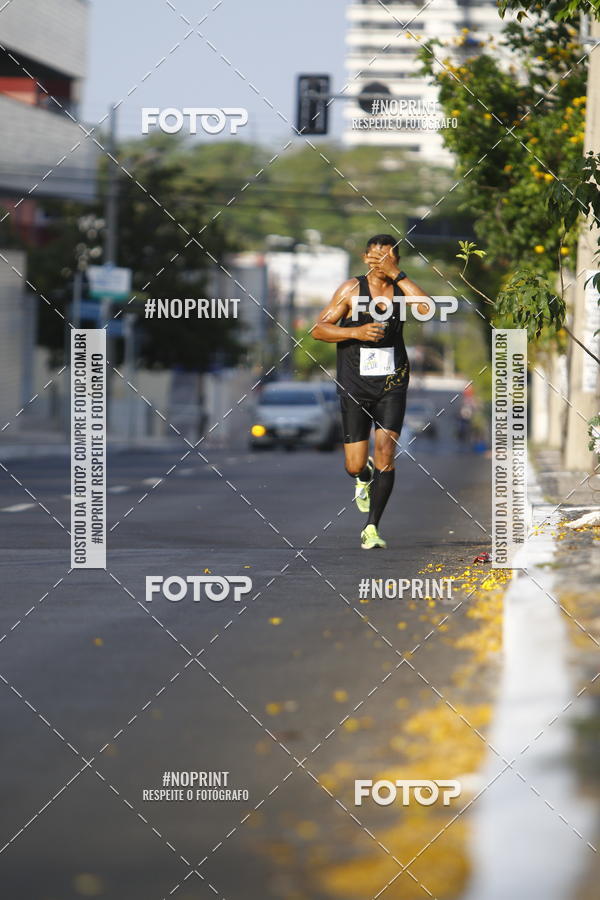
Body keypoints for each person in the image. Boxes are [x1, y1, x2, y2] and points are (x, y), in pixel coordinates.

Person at [313, 234, 429, 549]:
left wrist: (398, 275)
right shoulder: (351, 289)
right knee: (353, 464)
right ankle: (362, 476)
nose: (380, 262)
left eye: (387, 257)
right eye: (376, 257)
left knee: (386, 451)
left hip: (392, 383)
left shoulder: (401, 289)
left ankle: (372, 526)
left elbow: (427, 308)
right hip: (355, 384)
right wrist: (357, 332)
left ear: (397, 260)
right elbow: (319, 329)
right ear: (366, 258)